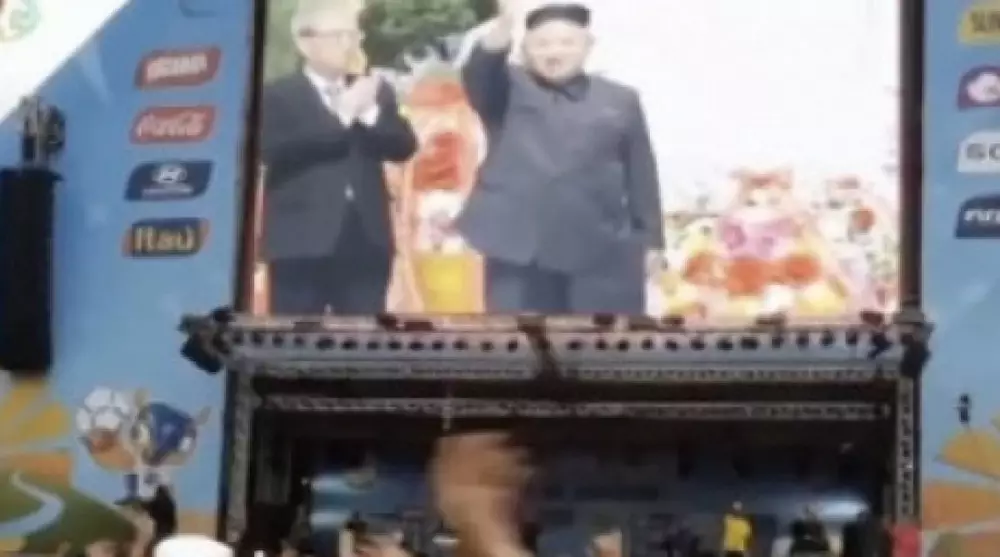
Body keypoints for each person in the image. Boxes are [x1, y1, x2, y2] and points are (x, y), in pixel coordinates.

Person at [456, 0, 665, 314]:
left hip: (598, 247)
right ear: (525, 50)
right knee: (518, 338)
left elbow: (641, 173)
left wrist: (652, 240)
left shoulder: (620, 99)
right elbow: (480, 72)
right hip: (519, 250)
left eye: (567, 43)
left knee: (599, 338)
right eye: (542, 44)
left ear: (588, 46)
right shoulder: (507, 88)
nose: (554, 53)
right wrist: (501, 30)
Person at [260, 0, 417, 314]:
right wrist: (342, 115)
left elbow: (403, 146)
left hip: (365, 239)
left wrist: (370, 112)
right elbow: (274, 149)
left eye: (353, 35)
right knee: (297, 335)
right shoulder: (277, 95)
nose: (348, 45)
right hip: (300, 241)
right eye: (337, 36)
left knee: (363, 335)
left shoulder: (372, 90)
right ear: (305, 43)